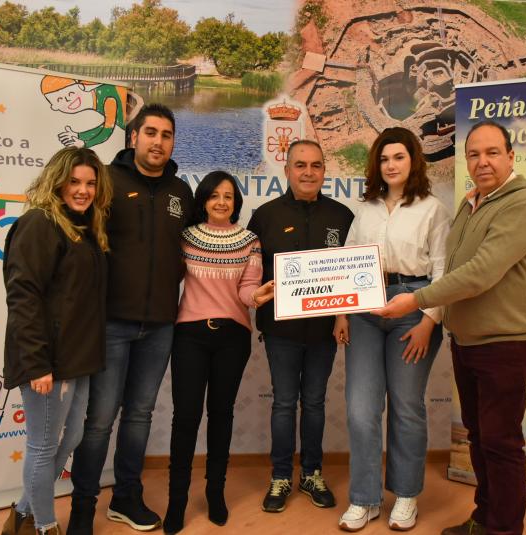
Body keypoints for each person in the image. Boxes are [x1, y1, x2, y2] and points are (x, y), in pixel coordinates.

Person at [373, 120, 526, 535]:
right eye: (474, 154)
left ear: (511, 156)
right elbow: (455, 265)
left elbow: (480, 273)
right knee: (480, 437)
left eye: (492, 153)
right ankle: (484, 519)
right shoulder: (474, 203)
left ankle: (503, 529)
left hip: (504, 344)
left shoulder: (524, 202)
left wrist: (416, 300)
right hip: (469, 341)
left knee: (501, 442)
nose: (482, 162)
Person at [68, 104, 194, 535]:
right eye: (151, 132)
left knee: (139, 415)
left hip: (160, 324)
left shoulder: (181, 192)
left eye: (167, 135)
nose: (159, 142)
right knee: (100, 420)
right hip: (111, 323)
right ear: (133, 137)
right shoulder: (105, 181)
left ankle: (125, 498)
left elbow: (193, 250)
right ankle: (83, 508)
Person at [333, 127, 450, 531]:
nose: (391, 165)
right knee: (361, 409)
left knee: (406, 406)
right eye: (384, 159)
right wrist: (342, 313)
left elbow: (443, 270)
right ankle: (364, 499)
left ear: (413, 161)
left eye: (399, 157)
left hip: (414, 307)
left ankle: (405, 496)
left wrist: (429, 321)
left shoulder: (433, 209)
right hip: (364, 310)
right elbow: (347, 261)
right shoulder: (365, 209)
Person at [1, 147, 112, 535]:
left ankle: (20, 515)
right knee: (43, 446)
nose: (83, 190)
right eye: (74, 182)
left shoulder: (85, 226)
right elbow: (23, 297)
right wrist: (37, 364)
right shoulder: (39, 223)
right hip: (47, 360)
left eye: (90, 183)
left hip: (77, 357)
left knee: (73, 436)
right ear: (57, 182)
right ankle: (44, 526)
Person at [163, 171, 274, 533]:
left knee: (221, 414)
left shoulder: (250, 242)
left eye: (228, 196)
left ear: (236, 202)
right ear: (204, 200)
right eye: (214, 196)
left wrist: (256, 296)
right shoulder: (185, 237)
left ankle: (215, 493)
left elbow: (247, 289)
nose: (222, 202)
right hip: (189, 336)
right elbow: (167, 278)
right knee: (185, 417)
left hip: (232, 337)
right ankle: (177, 500)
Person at [248, 140, 354, 513]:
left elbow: (349, 274)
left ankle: (311, 473)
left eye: (315, 165)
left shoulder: (343, 216)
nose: (308, 172)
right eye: (300, 165)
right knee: (283, 404)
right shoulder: (265, 216)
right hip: (281, 332)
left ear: (324, 170)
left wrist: (342, 316)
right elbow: (252, 274)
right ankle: (280, 476)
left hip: (324, 332)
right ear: (287, 170)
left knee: (314, 403)